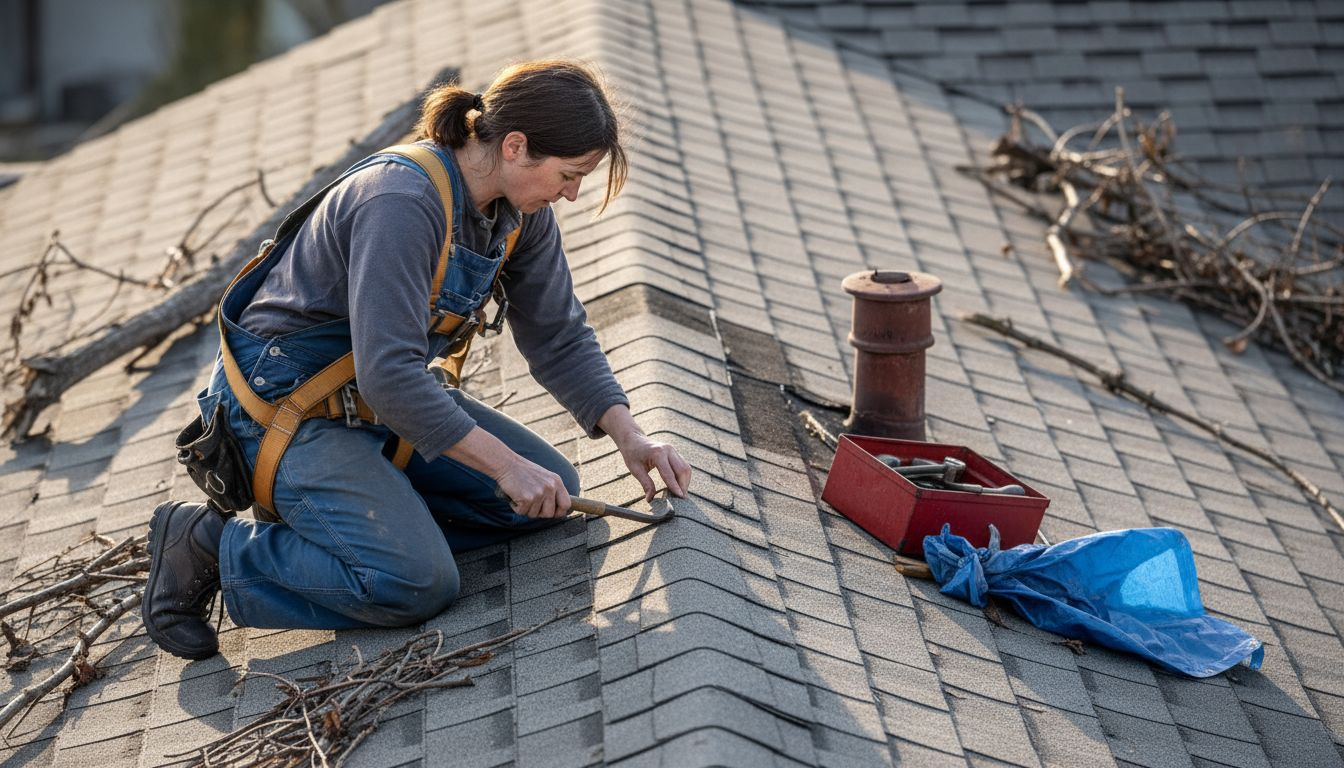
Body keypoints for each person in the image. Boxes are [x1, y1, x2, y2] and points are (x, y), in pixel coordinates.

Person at [142, 60, 693, 660]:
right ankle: (209, 544)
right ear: (515, 147)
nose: (572, 193)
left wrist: (630, 436)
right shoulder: (400, 202)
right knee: (415, 582)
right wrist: (504, 467)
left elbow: (558, 334)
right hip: (286, 415)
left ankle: (362, 519)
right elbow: (391, 374)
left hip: (379, 413)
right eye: (569, 174)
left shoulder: (516, 217)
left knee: (549, 494)